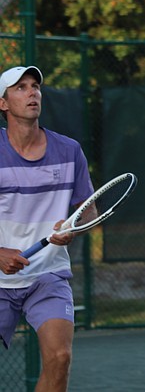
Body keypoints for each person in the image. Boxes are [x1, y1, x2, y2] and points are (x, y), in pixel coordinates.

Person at [0, 65, 94, 392]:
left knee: (60, 358)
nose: (32, 93)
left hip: (47, 275)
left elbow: (88, 210)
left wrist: (72, 227)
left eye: (35, 86)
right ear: (3, 103)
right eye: (21, 87)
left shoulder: (69, 151)